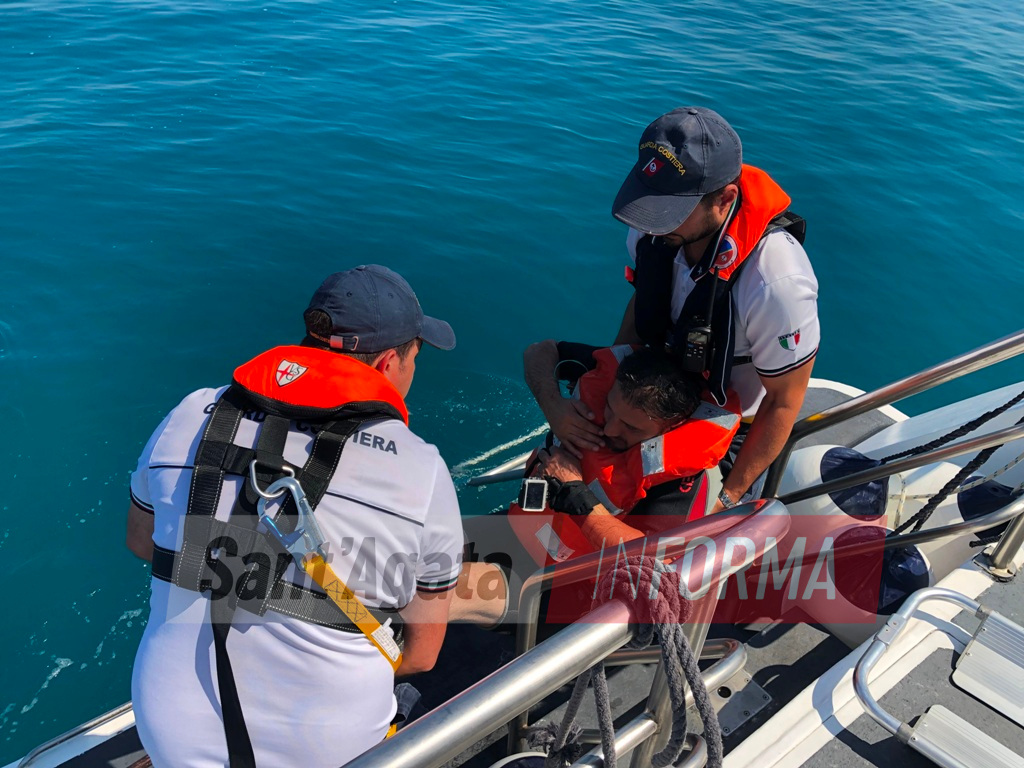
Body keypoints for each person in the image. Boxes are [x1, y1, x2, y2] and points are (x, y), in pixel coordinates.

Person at [125, 264, 464, 768]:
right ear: (390, 361)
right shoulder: (422, 468)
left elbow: (141, 540)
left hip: (166, 729)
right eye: (416, 357)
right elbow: (421, 655)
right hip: (330, 751)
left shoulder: (191, 412)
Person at [599, 106, 819, 514]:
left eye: (670, 212)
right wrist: (608, 390)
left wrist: (727, 497)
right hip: (652, 394)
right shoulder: (654, 230)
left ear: (725, 199)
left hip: (725, 425)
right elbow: (643, 301)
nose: (652, 226)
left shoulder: (776, 282)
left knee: (654, 535)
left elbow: (783, 403)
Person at [454, 340, 740, 626]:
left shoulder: (679, 480)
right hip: (525, 527)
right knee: (436, 543)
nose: (610, 428)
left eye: (631, 427)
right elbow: (539, 351)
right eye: (610, 409)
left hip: (570, 583)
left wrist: (574, 494)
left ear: (671, 426)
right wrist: (554, 407)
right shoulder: (614, 373)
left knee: (450, 589)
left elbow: (655, 567)